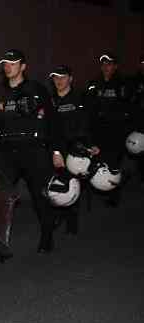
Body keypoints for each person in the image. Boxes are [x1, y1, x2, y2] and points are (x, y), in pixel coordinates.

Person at [0, 49, 57, 263]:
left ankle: (47, 237)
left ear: (23, 66)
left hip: (33, 151)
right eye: (5, 63)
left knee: (40, 196)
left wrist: (56, 151)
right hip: (6, 154)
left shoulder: (36, 90)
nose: (8, 66)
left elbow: (52, 122)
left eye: (13, 63)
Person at [49, 65, 99, 235]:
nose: (58, 81)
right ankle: (56, 214)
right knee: (54, 183)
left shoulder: (80, 98)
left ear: (70, 79)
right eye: (55, 77)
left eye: (62, 77)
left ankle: (71, 221)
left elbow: (88, 125)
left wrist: (91, 144)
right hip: (54, 148)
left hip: (75, 149)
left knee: (72, 184)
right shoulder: (50, 100)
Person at [83, 52, 133, 206]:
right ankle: (98, 188)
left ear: (116, 66)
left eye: (109, 63)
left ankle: (114, 194)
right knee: (96, 162)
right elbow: (87, 105)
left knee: (113, 164)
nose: (106, 66)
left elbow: (128, 107)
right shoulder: (94, 83)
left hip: (115, 131)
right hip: (97, 131)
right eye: (103, 63)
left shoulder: (123, 84)